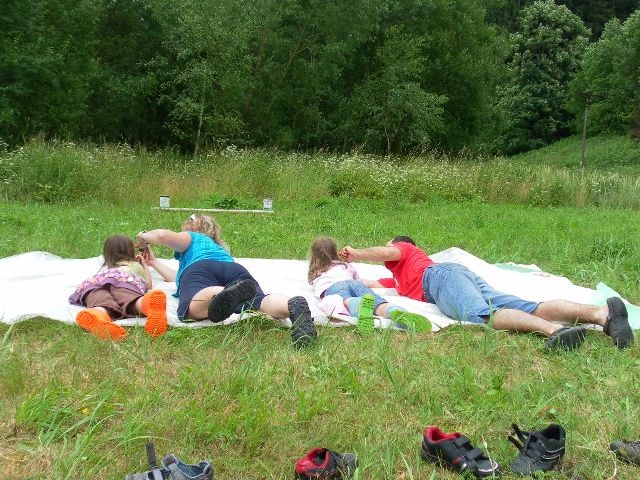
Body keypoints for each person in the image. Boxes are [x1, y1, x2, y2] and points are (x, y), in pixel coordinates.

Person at [341, 236, 635, 351]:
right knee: (531, 306)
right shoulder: (398, 278)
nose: (388, 251)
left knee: (481, 315)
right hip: (457, 277)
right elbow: (369, 283)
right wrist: (341, 269)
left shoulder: (405, 251)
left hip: (442, 279)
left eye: (390, 246)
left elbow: (387, 252)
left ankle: (554, 332)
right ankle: (602, 314)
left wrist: (356, 252)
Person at [136, 214, 317, 348]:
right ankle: (290, 305)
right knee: (260, 301)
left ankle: (221, 293)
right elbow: (176, 277)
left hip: (200, 270)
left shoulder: (192, 238)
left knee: (191, 307)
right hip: (233, 270)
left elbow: (162, 236)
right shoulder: (218, 249)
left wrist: (143, 236)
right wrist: (153, 263)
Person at [307, 236, 431, 333]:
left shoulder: (315, 273)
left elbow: (318, 288)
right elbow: (359, 281)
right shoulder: (345, 265)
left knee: (345, 300)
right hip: (354, 283)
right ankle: (393, 310)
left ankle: (356, 304)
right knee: (378, 302)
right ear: (335, 251)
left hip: (335, 287)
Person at [69, 235, 168, 340]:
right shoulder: (134, 265)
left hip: (94, 284)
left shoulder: (105, 268)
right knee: (131, 300)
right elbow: (148, 285)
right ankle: (147, 304)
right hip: (123, 281)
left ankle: (97, 313)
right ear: (130, 251)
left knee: (101, 302)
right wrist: (144, 266)